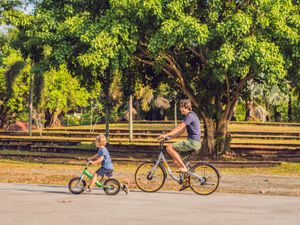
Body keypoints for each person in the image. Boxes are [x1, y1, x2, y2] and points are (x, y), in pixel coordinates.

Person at [158, 99, 201, 173]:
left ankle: (184, 168)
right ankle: (186, 181)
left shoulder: (190, 116)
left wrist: (166, 134)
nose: (180, 109)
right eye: (180, 107)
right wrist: (169, 137)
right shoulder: (190, 116)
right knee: (176, 161)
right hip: (195, 142)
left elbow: (179, 127)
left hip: (192, 142)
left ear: (187, 107)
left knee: (169, 147)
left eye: (182, 107)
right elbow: (181, 131)